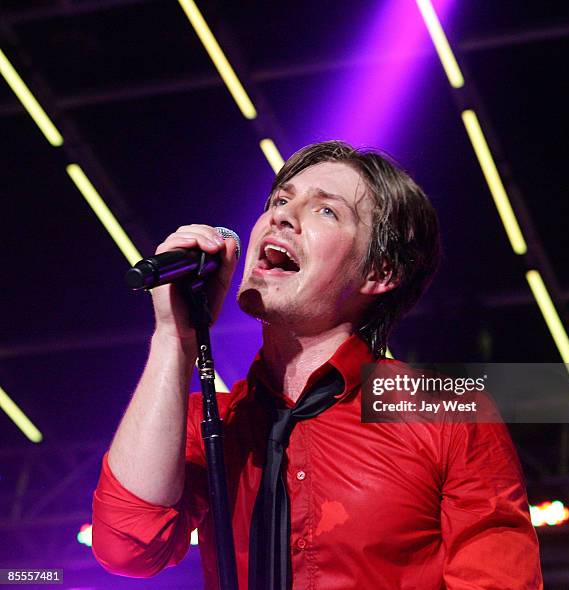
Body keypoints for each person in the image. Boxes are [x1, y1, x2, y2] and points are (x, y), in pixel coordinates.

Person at [92, 141, 543, 589]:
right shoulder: (212, 422)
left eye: (326, 210)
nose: (281, 216)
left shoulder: (444, 412)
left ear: (379, 273)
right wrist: (176, 338)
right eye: (281, 200)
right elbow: (128, 548)